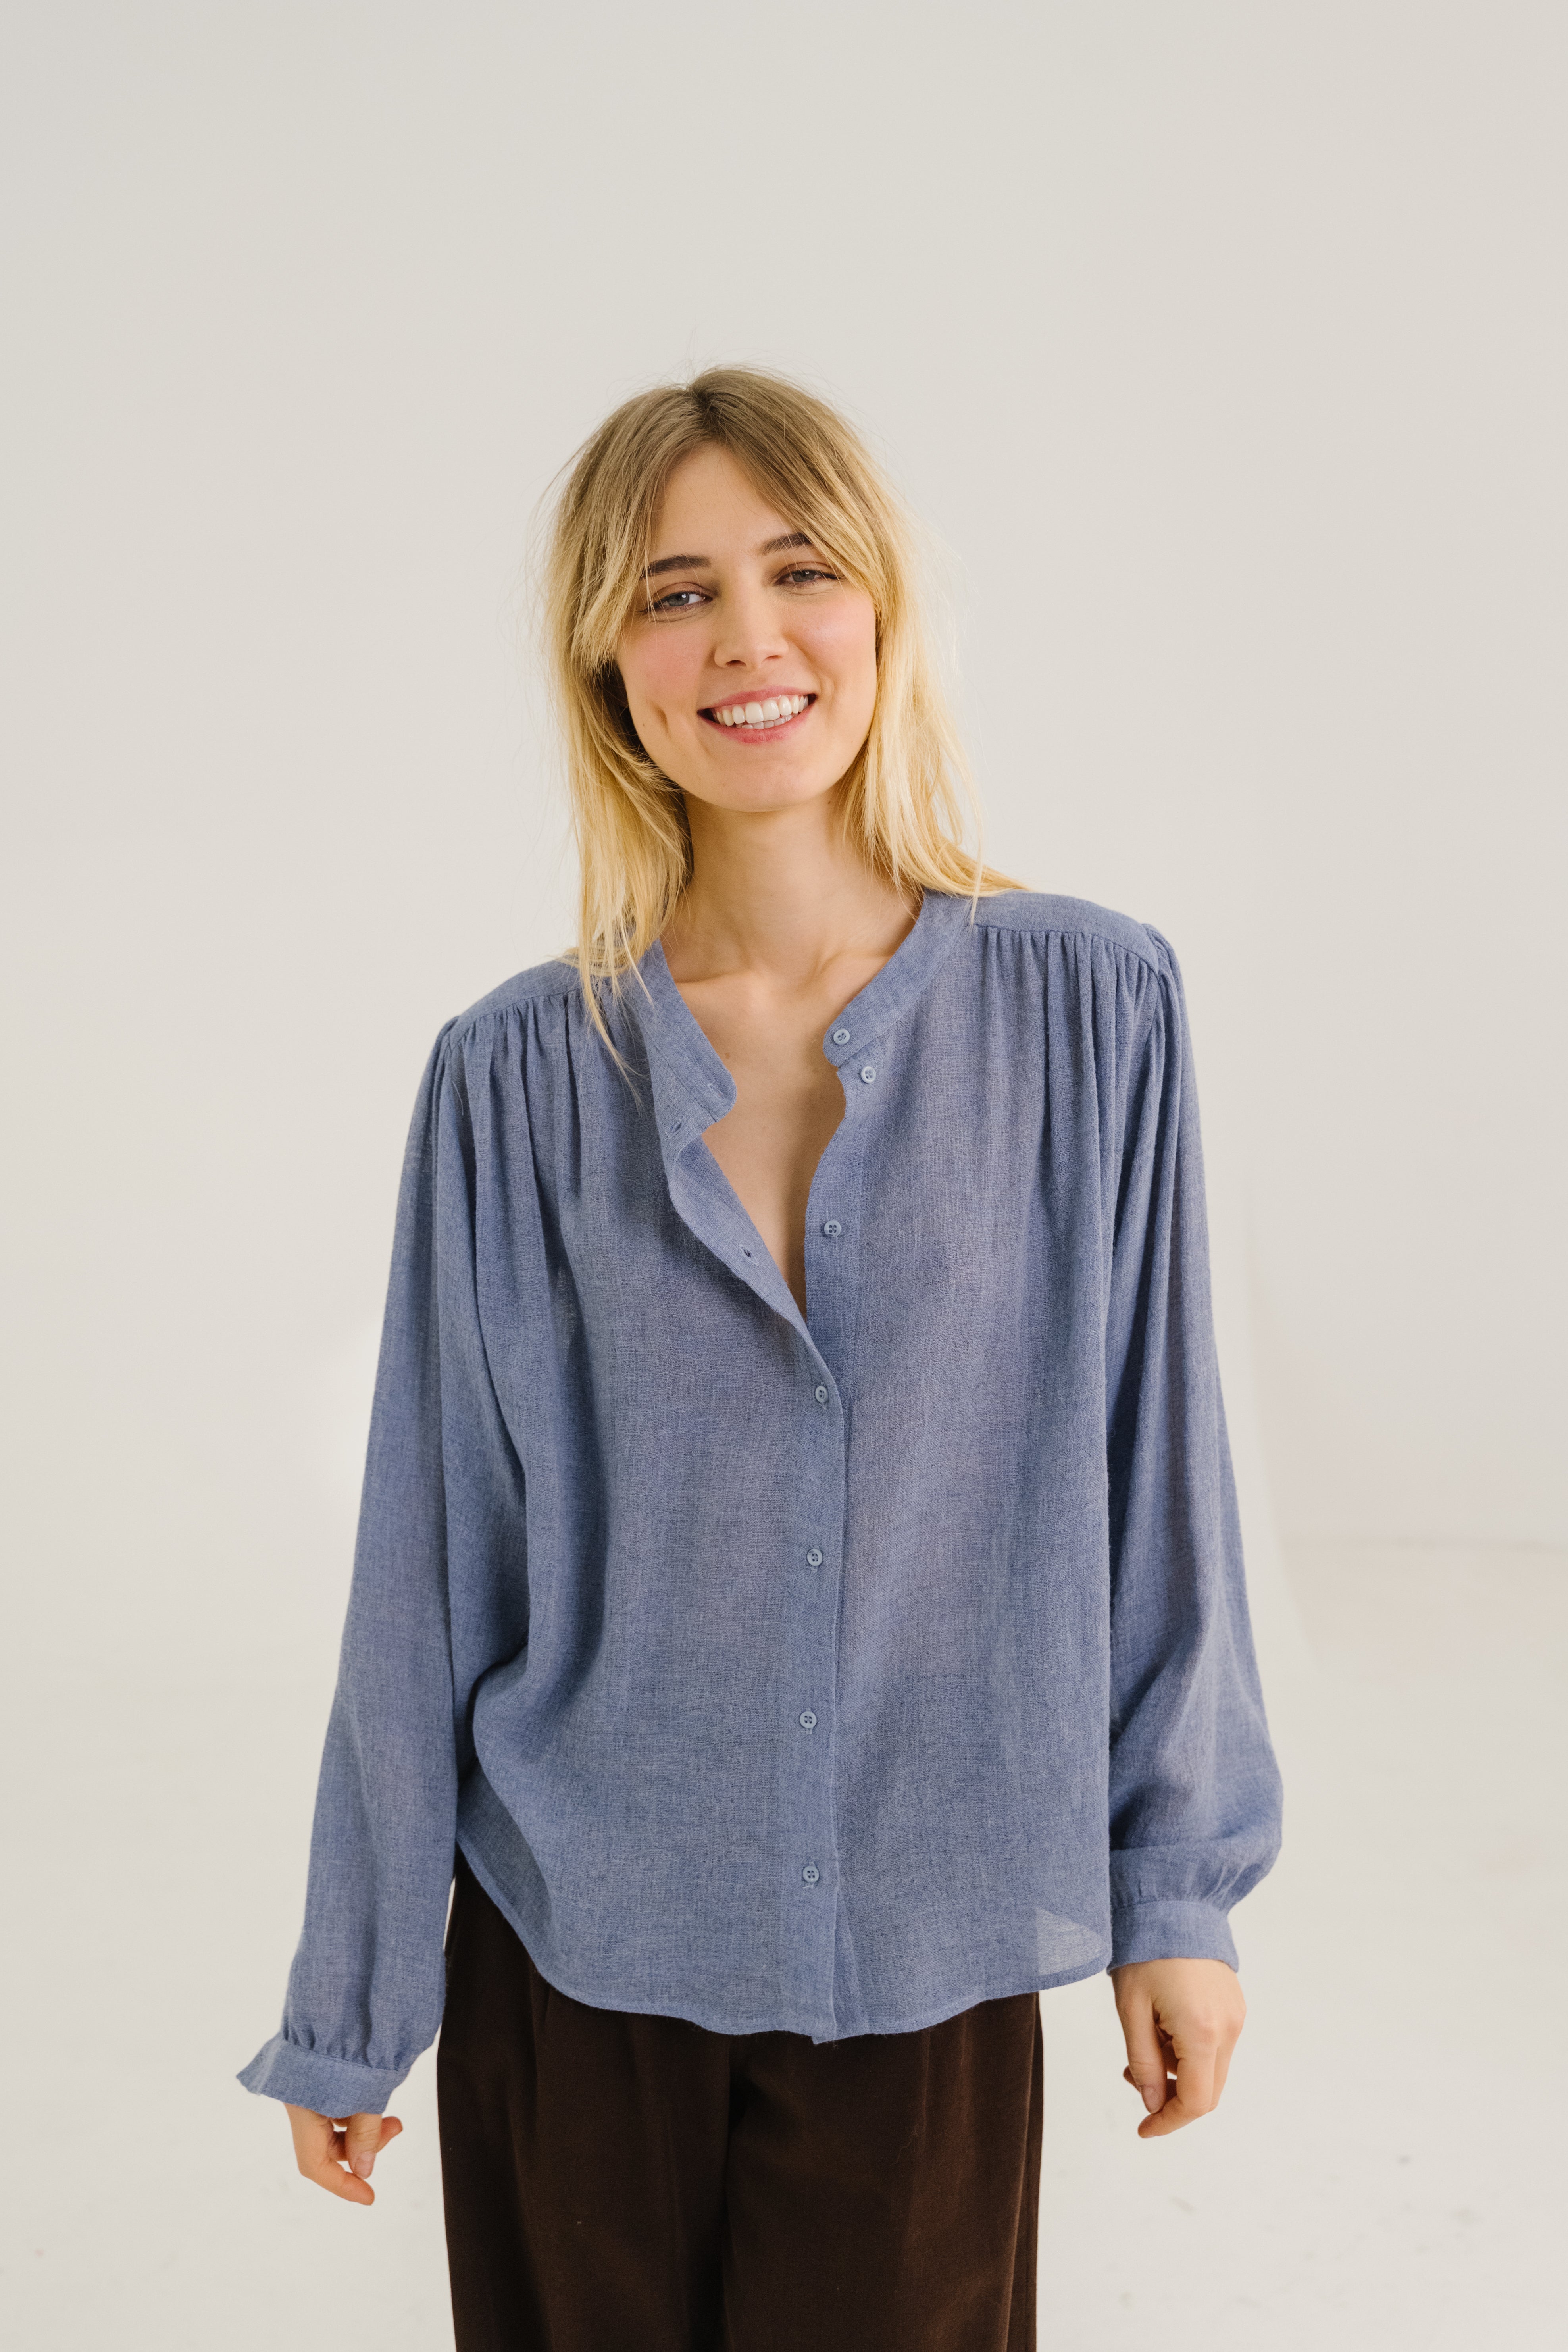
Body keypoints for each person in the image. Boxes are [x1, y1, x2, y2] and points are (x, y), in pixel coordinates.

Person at [240, 366, 1283, 2351]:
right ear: (606, 664)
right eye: (674, 592)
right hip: (574, 1964)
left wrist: (1178, 1895)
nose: (746, 638)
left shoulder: (1090, 1012)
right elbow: (428, 1563)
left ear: (881, 607)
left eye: (799, 571)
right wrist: (355, 1995)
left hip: (932, 1958)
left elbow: (1162, 1486)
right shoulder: (514, 1079)